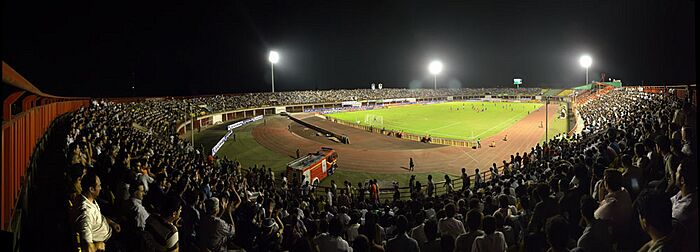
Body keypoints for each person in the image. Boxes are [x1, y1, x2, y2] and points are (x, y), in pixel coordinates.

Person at [75, 171, 121, 252]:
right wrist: (98, 245)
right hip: (107, 241)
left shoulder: (89, 199)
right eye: (99, 185)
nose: (100, 188)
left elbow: (98, 216)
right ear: (91, 189)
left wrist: (111, 222)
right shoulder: (86, 213)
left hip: (108, 228)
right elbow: (88, 248)